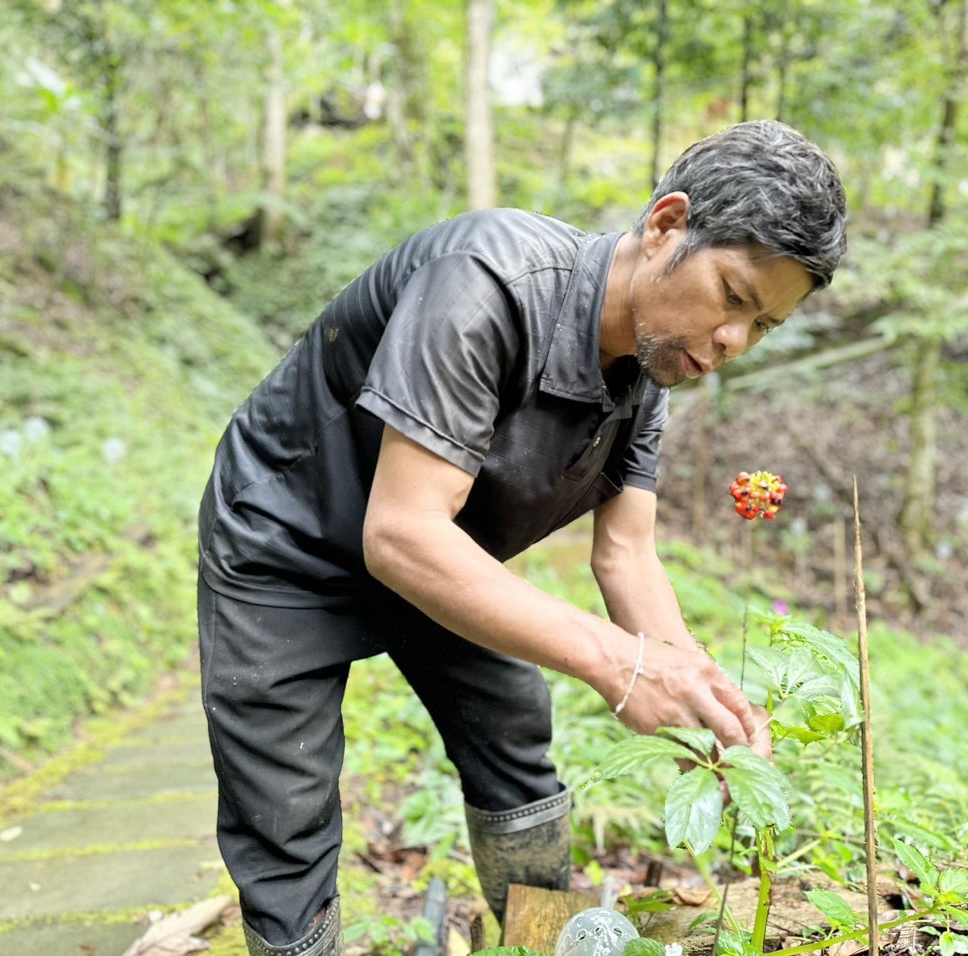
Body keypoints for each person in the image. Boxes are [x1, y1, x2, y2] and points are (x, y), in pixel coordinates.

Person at [197, 119, 847, 956]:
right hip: (289, 542)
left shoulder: (651, 371)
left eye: (762, 327)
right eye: (732, 297)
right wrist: (617, 662)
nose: (731, 343)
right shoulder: (487, 283)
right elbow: (399, 533)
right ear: (665, 226)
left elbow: (626, 552)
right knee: (282, 812)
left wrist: (697, 697)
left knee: (511, 725)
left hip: (439, 548)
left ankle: (536, 937)